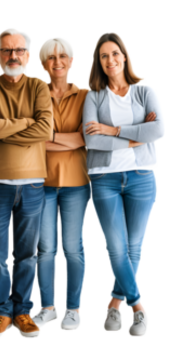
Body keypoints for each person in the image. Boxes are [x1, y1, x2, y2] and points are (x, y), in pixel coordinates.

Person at [82, 32, 164, 337]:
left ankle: (114, 306)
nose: (110, 60)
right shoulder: (94, 95)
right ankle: (139, 307)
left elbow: (158, 129)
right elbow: (93, 139)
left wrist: (113, 130)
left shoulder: (145, 90)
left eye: (115, 53)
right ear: (98, 62)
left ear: (124, 56)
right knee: (116, 247)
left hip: (142, 177)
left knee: (132, 247)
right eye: (104, 56)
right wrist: (134, 134)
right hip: (105, 179)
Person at [0, 27, 53, 339]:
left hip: (33, 183)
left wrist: (6, 128)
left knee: (27, 253)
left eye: (19, 50)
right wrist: (26, 124)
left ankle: (23, 311)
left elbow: (45, 129)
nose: (13, 56)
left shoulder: (38, 86)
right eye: (6, 51)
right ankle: (0, 312)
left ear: (28, 55)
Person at [29, 36, 92, 332]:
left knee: (73, 247)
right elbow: (29, 138)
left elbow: (87, 138)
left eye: (62, 57)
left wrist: (47, 138)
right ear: (42, 64)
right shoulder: (33, 93)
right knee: (44, 248)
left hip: (76, 182)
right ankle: (48, 307)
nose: (57, 63)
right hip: (39, 183)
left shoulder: (86, 96)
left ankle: (74, 309)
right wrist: (65, 139)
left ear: (71, 62)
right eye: (50, 58)